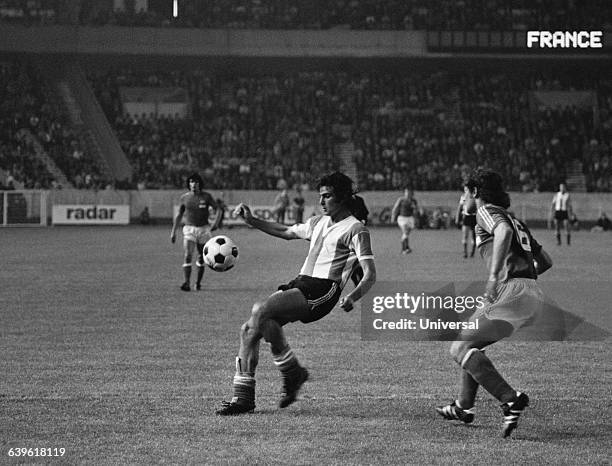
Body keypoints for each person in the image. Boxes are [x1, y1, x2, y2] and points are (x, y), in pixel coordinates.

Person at [216, 172, 377, 415]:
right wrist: (253, 221)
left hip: (323, 290)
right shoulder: (316, 222)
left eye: (327, 196)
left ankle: (292, 373)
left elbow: (370, 274)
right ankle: (245, 396)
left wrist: (353, 297)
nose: (322, 202)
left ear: (342, 197)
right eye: (320, 196)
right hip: (300, 283)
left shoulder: (356, 229)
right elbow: (286, 231)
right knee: (252, 327)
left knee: (261, 310)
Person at [436, 168, 553, 438]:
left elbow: (501, 231)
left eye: (463, 193)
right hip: (530, 291)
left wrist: (495, 277)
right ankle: (464, 406)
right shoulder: (515, 220)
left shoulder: (486, 211)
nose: (461, 200)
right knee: (470, 341)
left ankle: (510, 399)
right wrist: (525, 282)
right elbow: (546, 262)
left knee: (459, 347)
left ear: (475, 192)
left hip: (512, 290)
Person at [170, 173, 220, 292]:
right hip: (189, 229)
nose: (194, 184)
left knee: (201, 257)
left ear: (200, 184)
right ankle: (186, 282)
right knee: (188, 255)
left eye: (196, 182)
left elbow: (218, 209)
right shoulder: (184, 198)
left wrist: (216, 223)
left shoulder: (207, 196)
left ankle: (197, 283)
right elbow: (179, 215)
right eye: (191, 182)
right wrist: (173, 231)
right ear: (189, 184)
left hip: (204, 229)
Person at [391, 188, 418, 253]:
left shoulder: (413, 201)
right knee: (405, 231)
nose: (408, 194)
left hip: (410, 218)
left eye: (409, 192)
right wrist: (393, 216)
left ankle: (406, 248)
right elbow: (395, 208)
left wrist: (415, 208)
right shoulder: (401, 200)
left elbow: (416, 211)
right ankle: (404, 249)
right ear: (404, 193)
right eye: (406, 192)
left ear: (412, 194)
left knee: (406, 233)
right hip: (402, 218)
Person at [455, 184, 477, 258]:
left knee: (474, 236)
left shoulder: (475, 197)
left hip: (474, 217)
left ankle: (472, 252)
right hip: (466, 217)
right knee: (465, 235)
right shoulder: (464, 197)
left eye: (467, 188)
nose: (466, 190)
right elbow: (460, 207)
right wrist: (457, 218)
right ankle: (465, 252)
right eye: (465, 188)